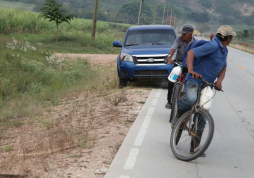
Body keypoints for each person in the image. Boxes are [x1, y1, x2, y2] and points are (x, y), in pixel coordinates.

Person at [171, 25, 236, 156]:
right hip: (195, 80)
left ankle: (194, 146)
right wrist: (190, 70)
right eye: (231, 37)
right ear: (228, 38)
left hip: (208, 84)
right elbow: (191, 53)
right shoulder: (213, 46)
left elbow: (223, 67)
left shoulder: (225, 50)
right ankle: (179, 115)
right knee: (190, 99)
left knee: (203, 112)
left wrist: (219, 81)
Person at [165, 25, 199, 109]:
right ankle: (169, 101)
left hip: (190, 66)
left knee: (195, 82)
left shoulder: (196, 42)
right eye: (182, 34)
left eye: (184, 34)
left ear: (190, 34)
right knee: (171, 80)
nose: (182, 35)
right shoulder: (179, 39)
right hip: (179, 63)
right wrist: (169, 57)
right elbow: (173, 49)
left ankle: (194, 102)